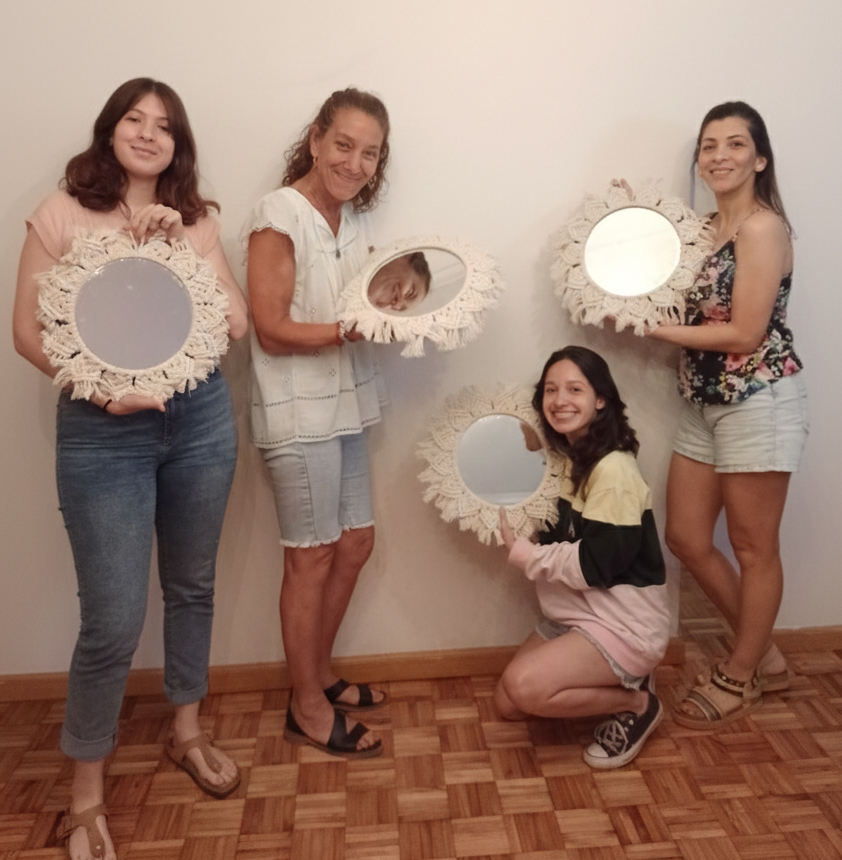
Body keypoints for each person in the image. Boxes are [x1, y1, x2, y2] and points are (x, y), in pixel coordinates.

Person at [12, 78, 248, 860]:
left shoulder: (196, 219)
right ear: (109, 129)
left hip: (198, 419)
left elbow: (237, 324)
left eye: (164, 125)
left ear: (178, 145)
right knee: (111, 619)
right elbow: (26, 333)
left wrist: (178, 243)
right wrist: (103, 394)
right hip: (100, 430)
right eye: (133, 119)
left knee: (192, 585)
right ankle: (85, 795)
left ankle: (187, 731)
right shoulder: (60, 213)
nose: (148, 134)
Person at [647, 101, 807, 728]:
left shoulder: (763, 229)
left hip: (759, 399)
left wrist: (660, 333)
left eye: (736, 144)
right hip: (703, 399)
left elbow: (744, 333)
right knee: (686, 537)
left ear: (760, 159)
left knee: (752, 547)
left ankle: (740, 675)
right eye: (709, 145)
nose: (720, 155)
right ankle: (765, 656)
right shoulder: (701, 229)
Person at [244, 88, 391, 759]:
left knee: (354, 543)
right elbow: (271, 329)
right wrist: (348, 329)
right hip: (298, 412)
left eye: (370, 153)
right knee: (311, 557)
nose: (355, 164)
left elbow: (365, 305)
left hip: (346, 404)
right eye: (344, 145)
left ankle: (320, 676)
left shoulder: (351, 221)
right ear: (315, 140)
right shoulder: (278, 213)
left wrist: (399, 309)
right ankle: (305, 706)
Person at [494, 346, 670, 769]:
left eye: (575, 389)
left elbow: (598, 566)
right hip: (576, 614)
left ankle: (637, 702)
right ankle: (622, 682)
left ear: (601, 399)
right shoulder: (564, 460)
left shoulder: (614, 470)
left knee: (524, 687)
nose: (560, 400)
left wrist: (526, 556)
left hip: (624, 624)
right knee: (508, 703)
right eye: (551, 390)